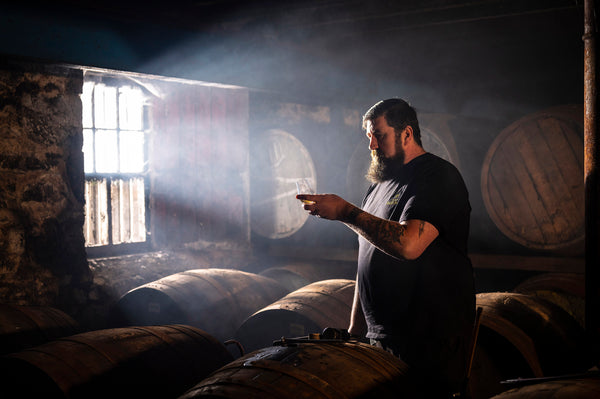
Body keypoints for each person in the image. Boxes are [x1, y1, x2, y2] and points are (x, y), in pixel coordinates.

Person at [296, 98, 475, 397]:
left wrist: (345, 211)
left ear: (406, 133)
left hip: (428, 341)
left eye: (379, 135)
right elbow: (367, 259)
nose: (372, 146)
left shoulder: (437, 176)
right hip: (381, 339)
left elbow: (409, 245)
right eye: (369, 137)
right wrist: (356, 329)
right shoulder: (377, 187)